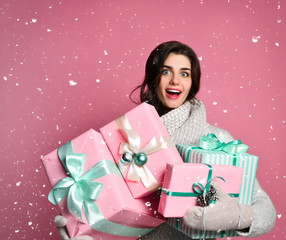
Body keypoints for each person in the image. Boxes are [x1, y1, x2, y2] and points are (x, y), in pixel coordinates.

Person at [54, 41, 276, 239]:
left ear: (193, 83)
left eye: (184, 73)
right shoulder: (126, 139)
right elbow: (111, 206)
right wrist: (85, 228)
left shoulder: (218, 141)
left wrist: (234, 216)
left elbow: (266, 210)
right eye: (166, 71)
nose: (175, 81)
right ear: (154, 77)